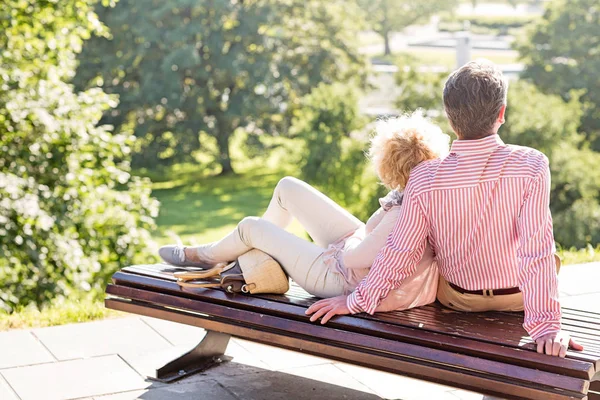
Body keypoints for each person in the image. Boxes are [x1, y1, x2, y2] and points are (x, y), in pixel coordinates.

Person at [306, 59, 584, 358]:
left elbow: (401, 251)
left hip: (458, 299)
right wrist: (547, 328)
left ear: (450, 120)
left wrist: (356, 301)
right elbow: (536, 250)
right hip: (517, 298)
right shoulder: (532, 164)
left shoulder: (424, 177)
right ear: (501, 114)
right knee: (547, 256)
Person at [159, 112, 449, 312]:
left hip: (343, 280)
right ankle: (251, 256)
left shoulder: (404, 213)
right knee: (288, 188)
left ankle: (202, 256)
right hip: (356, 260)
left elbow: (354, 257)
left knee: (251, 227)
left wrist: (351, 241)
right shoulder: (414, 193)